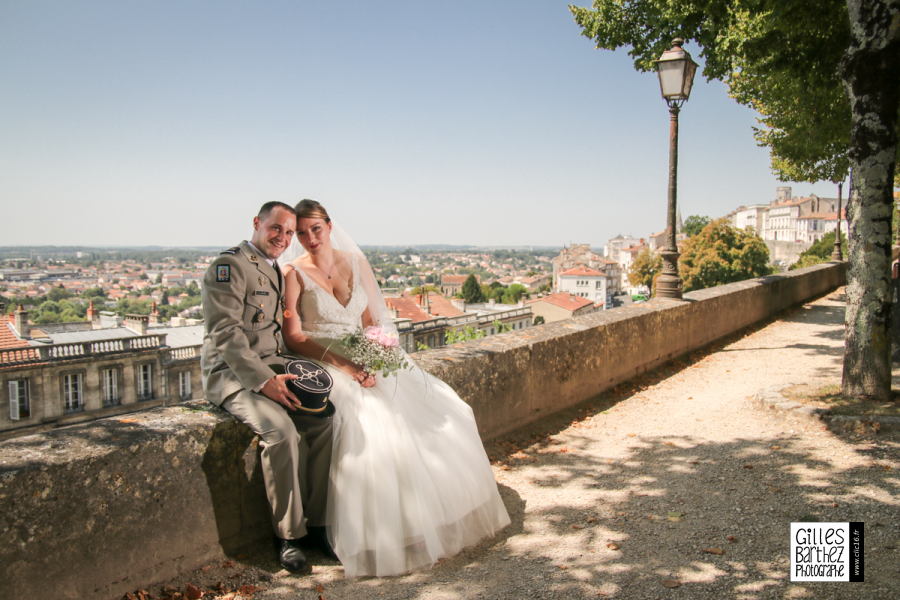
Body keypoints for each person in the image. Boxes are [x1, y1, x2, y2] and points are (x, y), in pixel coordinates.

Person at [280, 199, 511, 577]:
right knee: (370, 426)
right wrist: (348, 366)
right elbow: (294, 336)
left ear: (330, 225)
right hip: (327, 361)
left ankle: (427, 519)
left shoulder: (355, 262)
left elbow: (371, 318)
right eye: (301, 232)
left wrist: (376, 353)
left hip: (364, 354)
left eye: (315, 229)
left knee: (446, 412)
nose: (309, 238)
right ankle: (369, 535)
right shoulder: (292, 272)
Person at [200, 201, 333, 573]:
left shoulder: (273, 268)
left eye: (290, 233)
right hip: (231, 375)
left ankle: (319, 526)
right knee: (281, 432)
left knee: (324, 422)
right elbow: (226, 333)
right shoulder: (229, 266)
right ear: (257, 223)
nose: (284, 238)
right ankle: (289, 536)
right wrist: (263, 381)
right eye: (277, 228)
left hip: (272, 368)